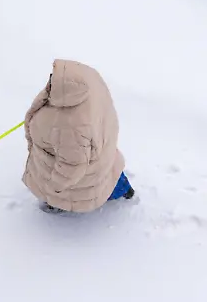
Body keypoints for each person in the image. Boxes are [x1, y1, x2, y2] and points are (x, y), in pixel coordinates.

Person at [22, 59, 135, 214]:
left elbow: (72, 167)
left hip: (83, 173)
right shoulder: (88, 83)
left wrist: (53, 187)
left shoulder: (69, 126)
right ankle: (124, 188)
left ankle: (57, 204)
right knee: (108, 175)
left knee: (87, 186)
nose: (50, 79)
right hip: (102, 151)